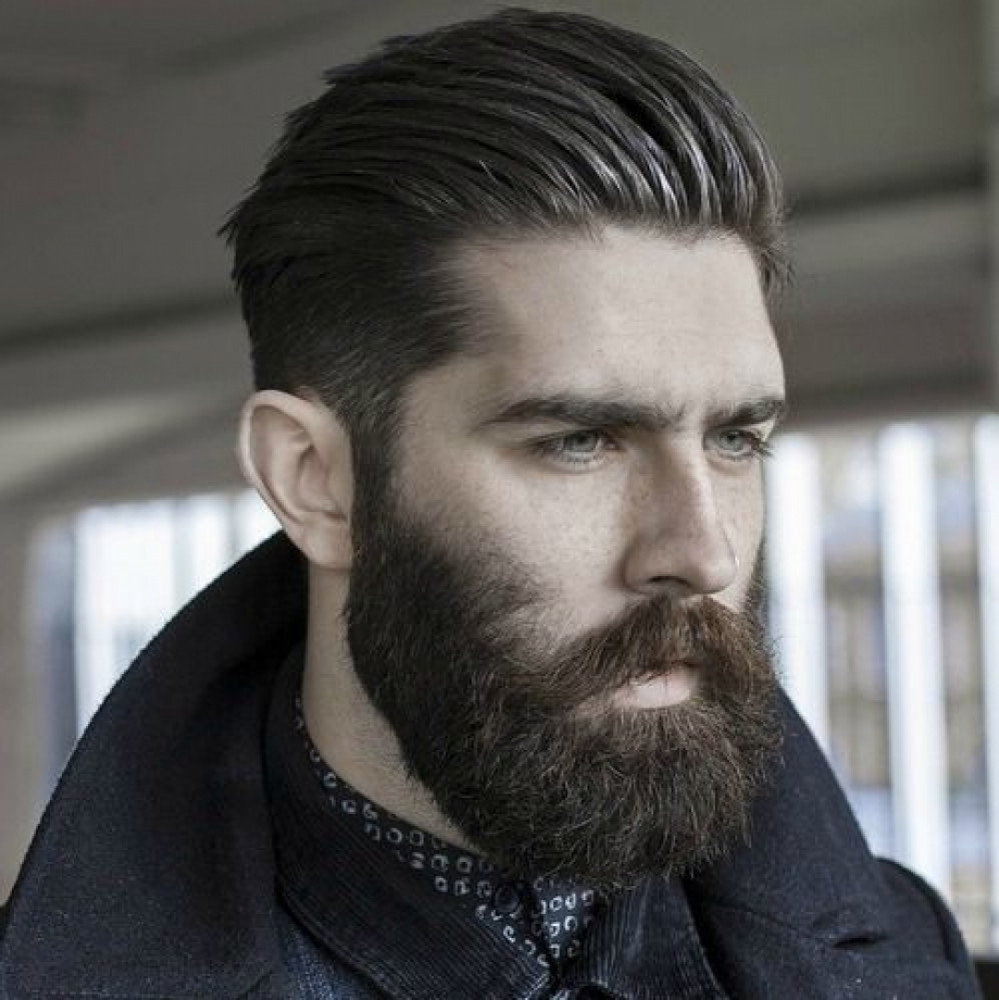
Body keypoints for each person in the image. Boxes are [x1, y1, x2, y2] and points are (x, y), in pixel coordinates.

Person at [0, 8, 981, 999]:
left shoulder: (906, 956)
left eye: (734, 438)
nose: (703, 551)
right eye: (578, 441)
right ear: (315, 481)